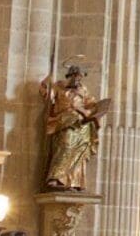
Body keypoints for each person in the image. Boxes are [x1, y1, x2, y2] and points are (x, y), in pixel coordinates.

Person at [39, 63, 107, 191]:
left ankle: (74, 182)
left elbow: (92, 105)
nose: (77, 79)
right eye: (75, 76)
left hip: (82, 125)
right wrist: (48, 79)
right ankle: (56, 177)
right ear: (69, 75)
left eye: (80, 77)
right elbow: (46, 94)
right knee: (65, 145)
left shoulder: (83, 90)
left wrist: (89, 112)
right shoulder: (59, 87)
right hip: (65, 121)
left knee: (79, 152)